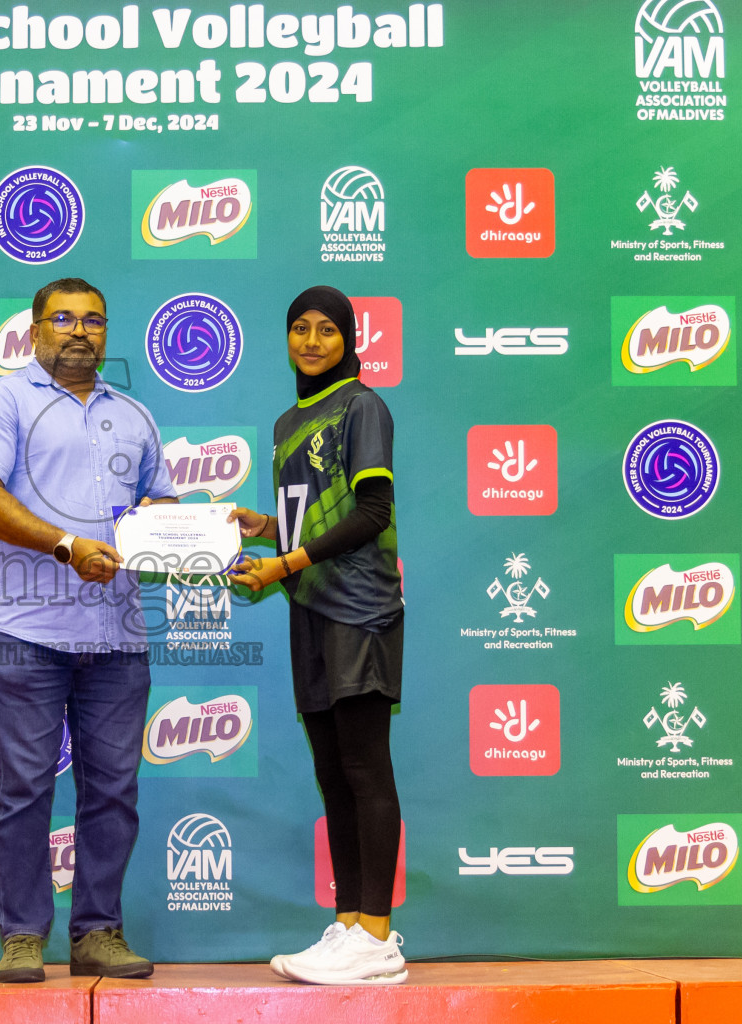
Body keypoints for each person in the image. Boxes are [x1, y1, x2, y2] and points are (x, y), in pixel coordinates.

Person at [0, 277, 178, 983]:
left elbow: (160, 515)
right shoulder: (0, 401)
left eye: (94, 321)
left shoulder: (136, 414)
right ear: (34, 329)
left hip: (118, 638)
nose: (80, 332)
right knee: (25, 786)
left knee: (113, 790)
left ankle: (98, 933)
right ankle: (22, 934)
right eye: (64, 319)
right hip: (28, 633)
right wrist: (65, 546)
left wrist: (219, 534)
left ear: (107, 333)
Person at [227, 285, 407, 986]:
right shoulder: (285, 422)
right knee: (332, 773)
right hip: (309, 606)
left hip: (360, 607)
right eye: (298, 327)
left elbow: (370, 511)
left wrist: (287, 562)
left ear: (348, 339)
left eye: (326, 329)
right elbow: (313, 517)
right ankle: (349, 924)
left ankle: (380, 937)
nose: (310, 340)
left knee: (365, 767)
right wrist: (267, 527)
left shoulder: (363, 405)